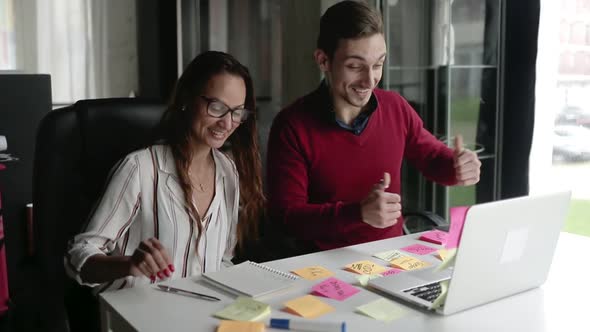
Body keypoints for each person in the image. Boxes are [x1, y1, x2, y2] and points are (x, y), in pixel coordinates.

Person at [266, 1, 481, 253]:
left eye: (378, 64)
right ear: (323, 60)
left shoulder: (396, 108)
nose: (370, 80)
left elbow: (433, 158)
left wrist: (457, 167)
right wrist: (357, 214)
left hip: (391, 259)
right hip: (321, 269)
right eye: (355, 66)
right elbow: (286, 218)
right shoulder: (292, 126)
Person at [65, 51, 264, 291]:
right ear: (186, 100)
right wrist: (128, 264)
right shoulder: (140, 168)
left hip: (200, 311)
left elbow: (221, 259)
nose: (227, 122)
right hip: (136, 315)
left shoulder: (228, 170)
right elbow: (78, 255)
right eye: (217, 107)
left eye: (237, 112)